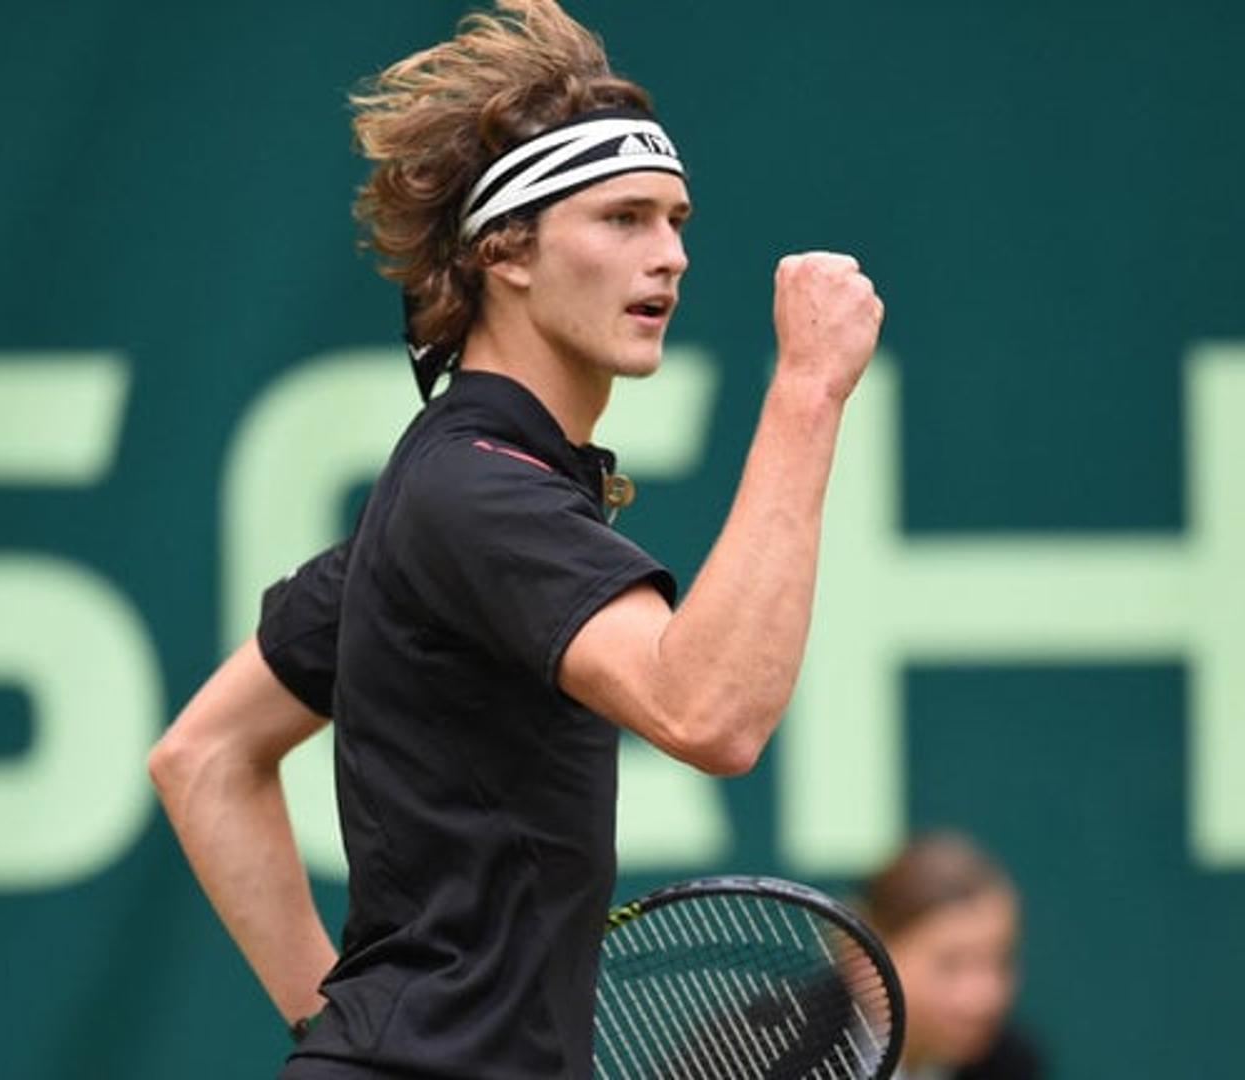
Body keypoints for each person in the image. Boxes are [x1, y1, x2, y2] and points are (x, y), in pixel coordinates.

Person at [147, 1, 882, 1075]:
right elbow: (710, 712)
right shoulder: (478, 499)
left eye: (677, 219)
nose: (669, 256)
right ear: (507, 251)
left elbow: (202, 757)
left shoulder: (436, 501)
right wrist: (809, 391)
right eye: (623, 219)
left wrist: (341, 1033)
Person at [862, 832, 1046, 1080]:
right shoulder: (796, 1042)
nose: (984, 998)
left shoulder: (1012, 1063)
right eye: (951, 964)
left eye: (1002, 961)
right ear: (863, 957)